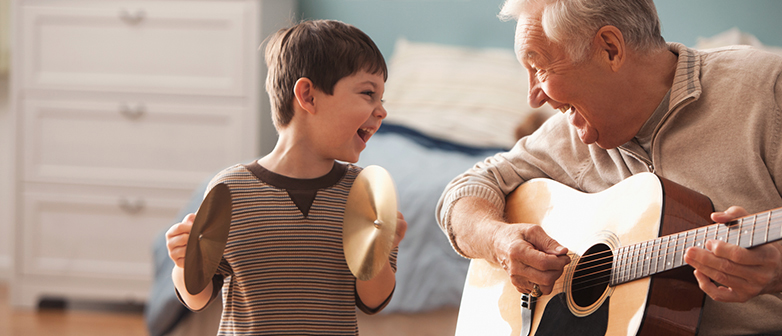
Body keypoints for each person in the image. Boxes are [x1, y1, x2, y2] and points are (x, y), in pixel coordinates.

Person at [436, 0, 782, 334]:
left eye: (539, 67)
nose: (534, 97)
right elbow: (464, 192)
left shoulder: (766, 89)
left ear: (610, 49)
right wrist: (498, 240)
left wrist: (777, 271)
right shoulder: (568, 135)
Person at [165, 19, 407, 335]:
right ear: (308, 95)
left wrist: (378, 249)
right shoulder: (231, 189)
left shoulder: (366, 195)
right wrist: (184, 264)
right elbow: (198, 298)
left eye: (381, 99)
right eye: (367, 93)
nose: (381, 111)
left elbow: (374, 302)